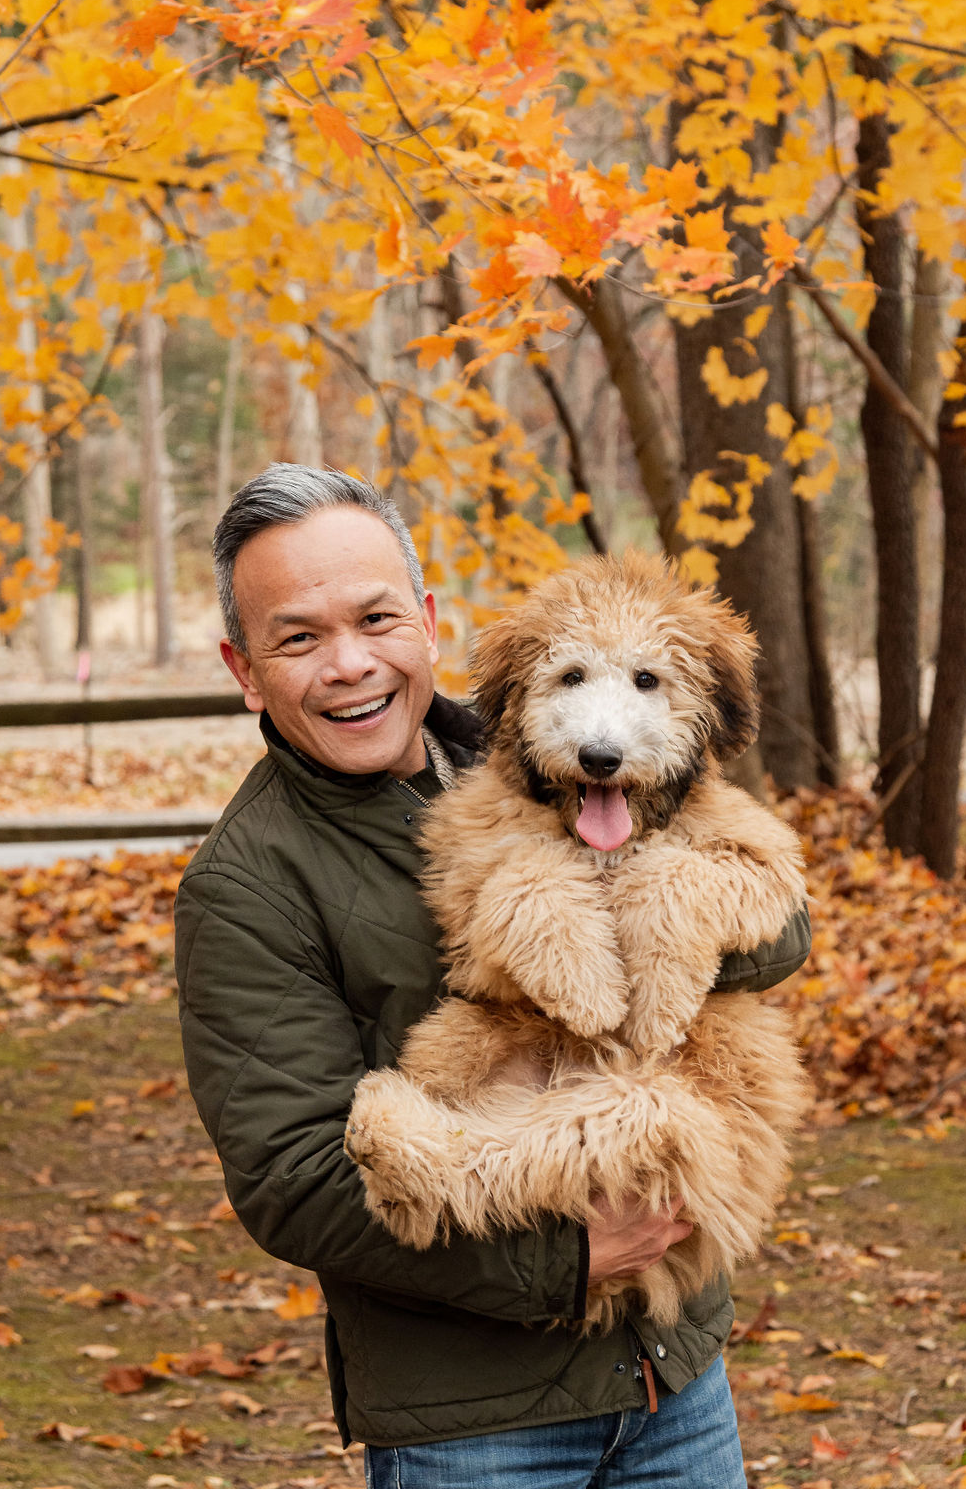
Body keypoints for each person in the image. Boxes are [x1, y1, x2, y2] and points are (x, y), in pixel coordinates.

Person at [175, 462, 811, 1489]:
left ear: (425, 622)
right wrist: (567, 1260)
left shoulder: (539, 746)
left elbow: (779, 931)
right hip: (476, 1426)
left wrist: (675, 914)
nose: (349, 665)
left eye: (375, 619)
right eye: (298, 637)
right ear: (245, 670)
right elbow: (294, 1183)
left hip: (672, 1376)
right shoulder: (245, 884)